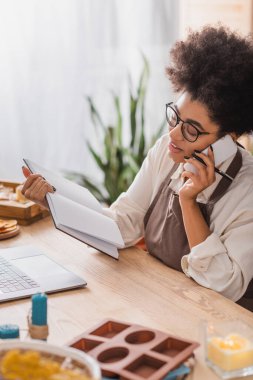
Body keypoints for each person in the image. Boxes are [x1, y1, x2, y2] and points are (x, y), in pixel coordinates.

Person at [22, 25, 253, 310]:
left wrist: (188, 201)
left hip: (227, 330)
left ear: (227, 139)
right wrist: (53, 201)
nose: (174, 135)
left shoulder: (247, 188)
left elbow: (225, 287)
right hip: (163, 302)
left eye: (192, 130)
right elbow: (123, 225)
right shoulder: (167, 152)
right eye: (175, 117)